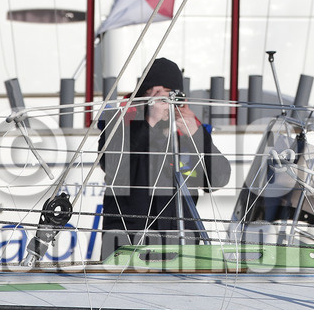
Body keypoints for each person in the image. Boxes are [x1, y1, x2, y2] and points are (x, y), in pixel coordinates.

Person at [98, 57, 230, 252]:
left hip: (181, 244)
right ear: (142, 98)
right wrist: (148, 122)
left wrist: (197, 136)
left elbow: (218, 179)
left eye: (168, 96)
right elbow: (110, 163)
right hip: (128, 243)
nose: (163, 103)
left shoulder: (191, 131)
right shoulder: (119, 124)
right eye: (155, 96)